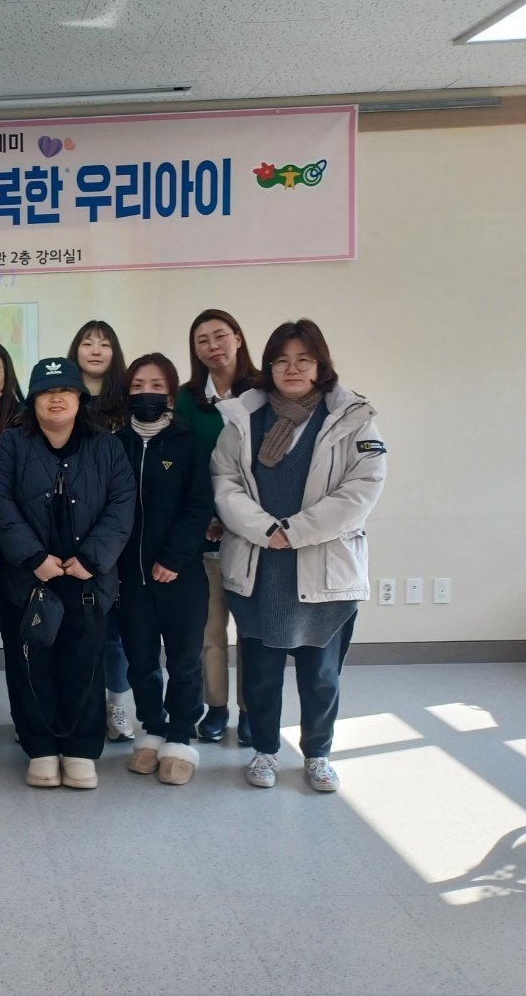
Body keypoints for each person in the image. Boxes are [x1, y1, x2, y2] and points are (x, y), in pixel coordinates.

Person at [212, 319, 387, 792]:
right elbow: (225, 483)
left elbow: (362, 490)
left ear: (320, 365)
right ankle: (265, 751)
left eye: (303, 360)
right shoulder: (244, 419)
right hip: (260, 562)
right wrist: (267, 530)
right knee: (261, 674)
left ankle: (318, 755)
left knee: (321, 675)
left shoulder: (353, 419)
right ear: (268, 366)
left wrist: (295, 532)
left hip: (324, 566)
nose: (292, 369)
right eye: (281, 360)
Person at [0, 357, 134, 789]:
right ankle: (40, 749)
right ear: (33, 400)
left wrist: (91, 559)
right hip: (27, 578)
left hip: (88, 578)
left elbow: (122, 504)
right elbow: (0, 503)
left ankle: (80, 750)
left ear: (80, 398)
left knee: (84, 666)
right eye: (47, 392)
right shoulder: (11, 444)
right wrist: (34, 557)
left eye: (65, 391)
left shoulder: (107, 445)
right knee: (30, 666)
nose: (56, 399)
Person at [116, 354, 215, 786]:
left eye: (156, 385)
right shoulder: (114, 444)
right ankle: (153, 729)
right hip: (130, 578)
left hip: (181, 575)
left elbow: (199, 506)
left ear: (171, 394)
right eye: (138, 385)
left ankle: (180, 736)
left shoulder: (186, 442)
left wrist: (173, 558)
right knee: (140, 661)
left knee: (183, 661)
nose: (146, 393)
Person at [175, 310, 257, 746]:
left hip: (255, 535)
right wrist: (206, 517)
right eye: (202, 340)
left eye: (220, 336)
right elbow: (186, 467)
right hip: (206, 532)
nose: (212, 346)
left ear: (238, 338)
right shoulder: (188, 399)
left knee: (252, 631)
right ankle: (217, 707)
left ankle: (251, 709)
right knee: (210, 630)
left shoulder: (264, 390)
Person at [66, 320, 135, 742]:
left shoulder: (128, 403)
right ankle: (73, 706)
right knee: (74, 628)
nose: (95, 350)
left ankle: (116, 704)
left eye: (104, 343)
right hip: (70, 536)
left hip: (120, 531)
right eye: (88, 343)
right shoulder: (61, 401)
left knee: (116, 631)